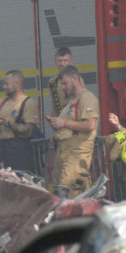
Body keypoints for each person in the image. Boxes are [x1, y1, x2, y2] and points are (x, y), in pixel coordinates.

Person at [45, 65, 99, 196]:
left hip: (77, 152)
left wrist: (64, 122)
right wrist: (56, 126)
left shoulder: (87, 98)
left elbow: (90, 125)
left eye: (65, 83)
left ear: (74, 78)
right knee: (59, 191)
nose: (63, 87)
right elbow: (68, 126)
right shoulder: (70, 101)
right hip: (63, 152)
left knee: (65, 192)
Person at [0, 70, 41, 172]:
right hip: (1, 150)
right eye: (4, 84)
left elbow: (28, 131)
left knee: (20, 183)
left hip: (20, 152)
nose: (4, 87)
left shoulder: (28, 103)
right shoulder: (1, 102)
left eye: (7, 84)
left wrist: (7, 123)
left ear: (17, 83)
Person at [48, 48, 74, 116]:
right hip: (60, 122)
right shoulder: (52, 82)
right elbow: (54, 106)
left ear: (71, 61)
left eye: (65, 60)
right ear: (55, 62)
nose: (62, 64)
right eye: (59, 61)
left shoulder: (76, 80)